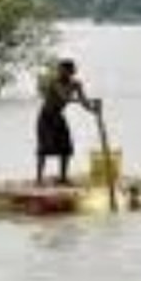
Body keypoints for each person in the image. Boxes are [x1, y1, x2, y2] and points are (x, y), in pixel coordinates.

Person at [35, 58, 101, 186]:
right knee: (44, 148)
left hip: (58, 116)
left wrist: (93, 110)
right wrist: (78, 98)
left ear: (71, 72)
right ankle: (39, 178)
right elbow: (63, 96)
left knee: (65, 147)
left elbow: (84, 102)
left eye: (65, 71)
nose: (61, 73)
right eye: (60, 70)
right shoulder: (54, 82)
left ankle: (63, 177)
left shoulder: (76, 84)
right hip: (46, 117)